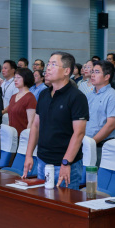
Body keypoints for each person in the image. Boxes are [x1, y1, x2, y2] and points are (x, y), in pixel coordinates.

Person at [24, 52, 88, 189]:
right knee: (43, 200)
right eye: (48, 64)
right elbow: (35, 126)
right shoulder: (44, 94)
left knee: (65, 201)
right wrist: (29, 155)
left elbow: (79, 133)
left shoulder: (77, 97)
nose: (48, 68)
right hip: (42, 160)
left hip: (65, 164)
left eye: (53, 64)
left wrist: (66, 162)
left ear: (66, 71)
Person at [87, 60, 115, 162]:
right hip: (86, 144)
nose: (92, 75)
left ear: (107, 76)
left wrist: (92, 142)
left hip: (102, 146)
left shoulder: (113, 96)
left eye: (97, 72)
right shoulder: (89, 95)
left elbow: (111, 125)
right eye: (92, 71)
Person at [6, 67, 37, 135]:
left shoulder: (30, 98)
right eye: (15, 77)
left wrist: (26, 138)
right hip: (11, 136)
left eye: (18, 77)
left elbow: (31, 122)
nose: (15, 80)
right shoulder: (13, 96)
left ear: (26, 78)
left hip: (22, 136)